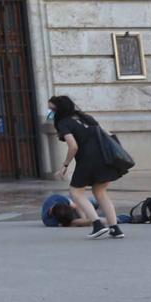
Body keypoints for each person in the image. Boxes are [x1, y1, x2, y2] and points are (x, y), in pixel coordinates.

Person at [48, 95, 123, 240]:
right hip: (104, 158)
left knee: (76, 192)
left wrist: (65, 165)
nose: (50, 113)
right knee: (100, 192)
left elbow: (73, 146)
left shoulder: (64, 123)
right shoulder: (86, 118)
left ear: (59, 110)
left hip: (87, 160)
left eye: (51, 109)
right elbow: (107, 134)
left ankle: (97, 225)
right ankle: (115, 228)